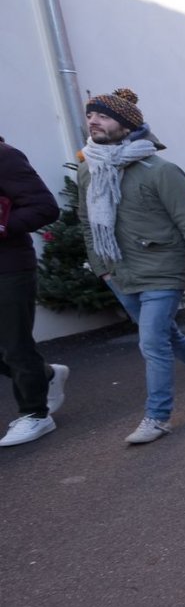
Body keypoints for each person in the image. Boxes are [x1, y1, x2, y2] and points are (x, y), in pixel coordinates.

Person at [77, 89, 185, 445]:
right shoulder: (90, 169)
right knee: (165, 335)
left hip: (162, 268)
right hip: (119, 271)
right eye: (90, 116)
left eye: (103, 116)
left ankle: (157, 417)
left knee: (151, 342)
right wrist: (102, 268)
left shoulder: (160, 170)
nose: (94, 121)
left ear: (127, 124)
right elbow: (87, 222)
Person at [0, 138, 67, 447]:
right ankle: (46, 375)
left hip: (9, 268)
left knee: (15, 345)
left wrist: (2, 225)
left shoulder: (5, 156)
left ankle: (36, 415)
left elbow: (45, 207)